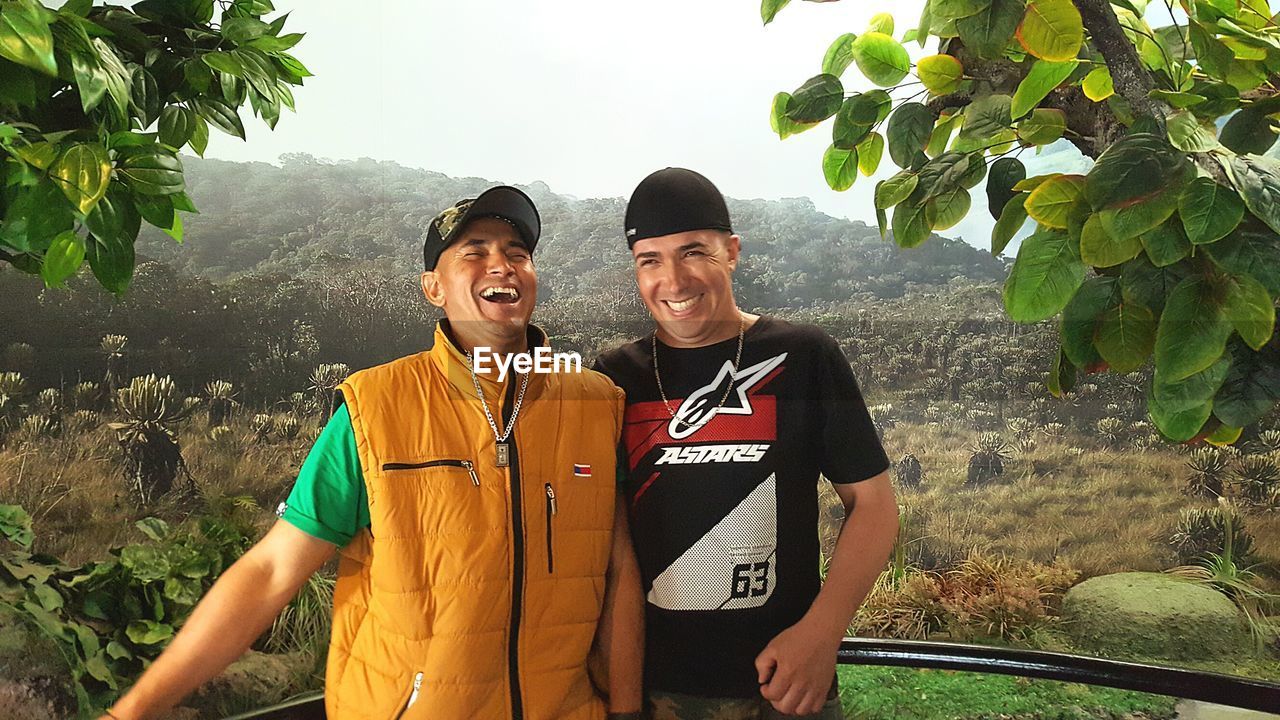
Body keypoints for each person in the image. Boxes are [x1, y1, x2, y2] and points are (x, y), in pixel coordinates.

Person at [104, 186, 644, 720]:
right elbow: (271, 571)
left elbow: (618, 569)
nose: (501, 265)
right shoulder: (375, 410)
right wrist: (134, 710)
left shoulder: (593, 403)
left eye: (517, 254)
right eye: (474, 252)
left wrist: (624, 709)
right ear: (434, 287)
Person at [592, 168, 899, 720]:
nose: (675, 281)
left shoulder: (804, 356)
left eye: (693, 253)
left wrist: (822, 634)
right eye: (650, 261)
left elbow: (874, 506)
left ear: (731, 252)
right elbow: (610, 550)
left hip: (784, 684)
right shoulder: (616, 377)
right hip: (654, 687)